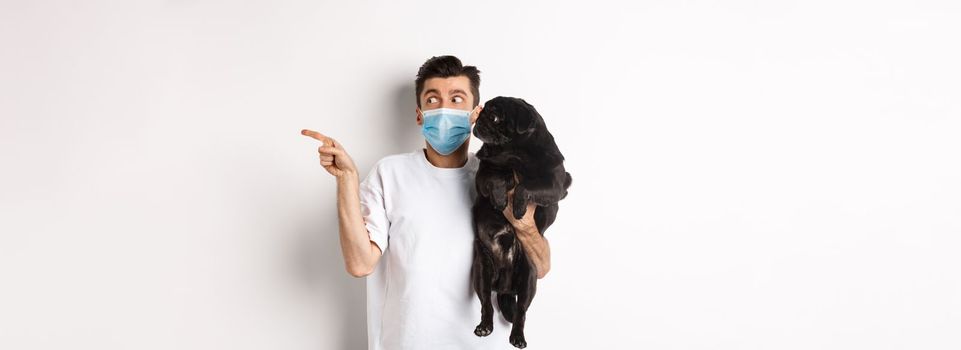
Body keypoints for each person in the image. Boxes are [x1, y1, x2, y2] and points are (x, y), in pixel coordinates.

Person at [301, 55, 551, 349]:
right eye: (433, 100)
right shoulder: (390, 174)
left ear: (475, 113)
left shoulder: (503, 180)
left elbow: (542, 266)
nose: (445, 109)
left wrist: (522, 225)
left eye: (457, 99)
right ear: (419, 115)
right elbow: (359, 263)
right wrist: (346, 180)